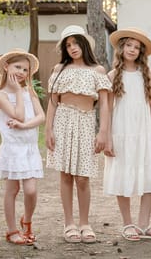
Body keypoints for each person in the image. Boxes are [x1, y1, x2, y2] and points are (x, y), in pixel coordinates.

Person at [45, 25, 111, 243]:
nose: (72, 48)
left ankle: (84, 223)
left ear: (84, 44)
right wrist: (48, 130)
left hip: (85, 121)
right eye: (68, 44)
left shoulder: (97, 71)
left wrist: (103, 132)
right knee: (65, 174)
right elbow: (53, 103)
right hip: (63, 120)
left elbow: (104, 105)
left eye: (75, 43)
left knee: (83, 177)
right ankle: (69, 223)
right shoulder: (59, 70)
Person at [103, 28, 151, 241]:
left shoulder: (145, 74)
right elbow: (109, 108)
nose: (132, 49)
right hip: (121, 132)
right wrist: (108, 137)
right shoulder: (113, 76)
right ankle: (128, 223)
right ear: (121, 48)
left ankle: (144, 224)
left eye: (136, 47)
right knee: (123, 175)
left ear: (141, 52)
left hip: (143, 132)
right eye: (129, 45)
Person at [0, 49, 45, 245]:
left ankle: (27, 221)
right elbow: (18, 115)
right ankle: (12, 230)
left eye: (25, 69)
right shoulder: (1, 95)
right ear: (6, 67)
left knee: (31, 190)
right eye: (17, 67)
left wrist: (24, 126)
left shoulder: (29, 91)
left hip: (29, 147)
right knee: (12, 190)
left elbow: (41, 116)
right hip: (13, 148)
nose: (22, 72)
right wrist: (16, 92)